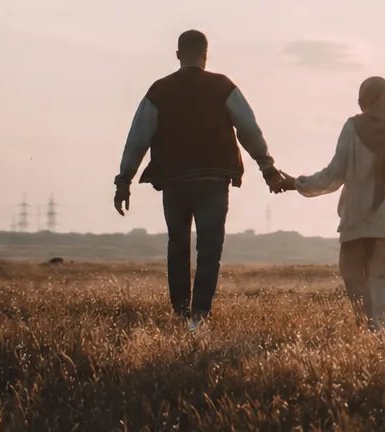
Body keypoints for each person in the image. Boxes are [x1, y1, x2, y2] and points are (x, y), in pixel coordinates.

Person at [114, 29, 284, 328]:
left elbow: (137, 139)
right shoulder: (223, 87)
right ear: (206, 54)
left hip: (175, 181)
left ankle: (181, 313)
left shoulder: (159, 90)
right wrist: (267, 167)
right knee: (210, 246)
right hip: (213, 181)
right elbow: (249, 129)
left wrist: (124, 181)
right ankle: (199, 316)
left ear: (178, 55)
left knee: (177, 244)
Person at [277, 76, 385, 330]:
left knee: (357, 286)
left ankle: (366, 332)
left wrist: (297, 183)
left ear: (363, 100)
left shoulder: (353, 128)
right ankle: (379, 340)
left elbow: (334, 174)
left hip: (357, 223)